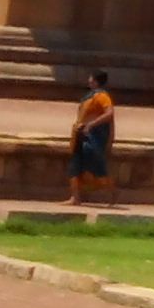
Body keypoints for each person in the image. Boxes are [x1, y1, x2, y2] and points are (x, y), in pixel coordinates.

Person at [67, 69, 116, 207]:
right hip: (81, 134)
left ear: (94, 80)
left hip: (92, 137)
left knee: (97, 166)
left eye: (90, 78)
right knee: (74, 165)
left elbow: (109, 114)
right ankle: (75, 197)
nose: (88, 80)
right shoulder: (90, 96)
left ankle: (112, 194)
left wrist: (91, 125)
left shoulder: (102, 96)